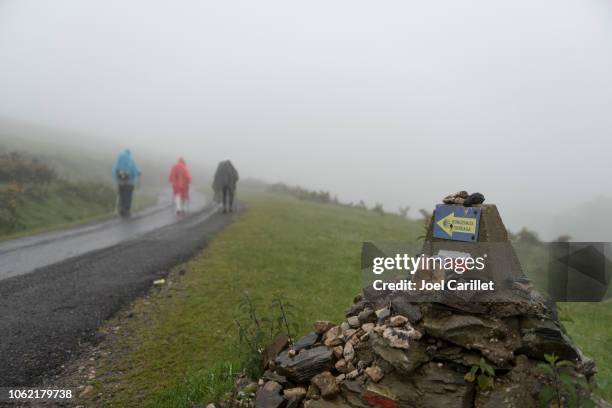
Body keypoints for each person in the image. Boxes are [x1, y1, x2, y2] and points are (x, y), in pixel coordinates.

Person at [112, 149, 141, 218]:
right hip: (129, 182)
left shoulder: (119, 159)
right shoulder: (130, 159)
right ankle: (126, 210)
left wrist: (117, 179)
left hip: (120, 182)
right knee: (128, 196)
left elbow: (114, 169)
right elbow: (135, 170)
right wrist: (139, 173)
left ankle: (121, 210)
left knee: (121, 195)